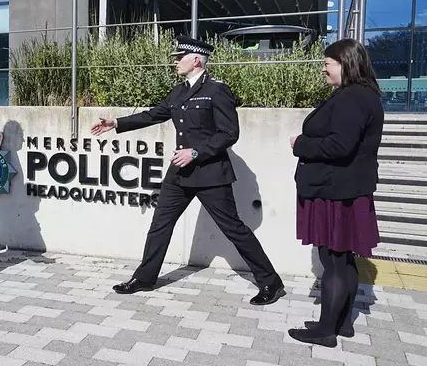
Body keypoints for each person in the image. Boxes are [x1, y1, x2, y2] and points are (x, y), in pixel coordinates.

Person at [91, 35, 285, 306]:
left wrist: (196, 152)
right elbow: (153, 115)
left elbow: (230, 133)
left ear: (196, 60)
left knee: (233, 228)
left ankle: (271, 282)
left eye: (179, 57)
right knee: (160, 224)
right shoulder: (178, 91)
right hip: (180, 174)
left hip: (210, 173)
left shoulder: (217, 90)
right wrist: (117, 123)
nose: (174, 61)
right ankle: (145, 278)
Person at [287, 38, 384, 347]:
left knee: (333, 260)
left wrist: (299, 144)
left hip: (335, 190)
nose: (323, 69)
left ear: (346, 64)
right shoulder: (365, 95)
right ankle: (342, 324)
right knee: (344, 258)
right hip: (346, 188)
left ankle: (325, 330)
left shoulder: (351, 98)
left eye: (328, 64)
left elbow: (340, 146)